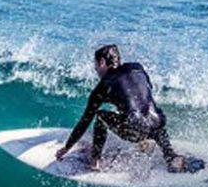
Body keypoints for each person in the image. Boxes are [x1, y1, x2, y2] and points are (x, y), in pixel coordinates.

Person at [55, 44, 200, 173]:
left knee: (100, 116)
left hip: (135, 129)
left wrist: (66, 148)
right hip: (158, 122)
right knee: (148, 113)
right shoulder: (137, 67)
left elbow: (85, 121)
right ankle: (170, 155)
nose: (95, 70)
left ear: (102, 62)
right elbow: (144, 92)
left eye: (96, 65)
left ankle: (95, 160)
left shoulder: (104, 85)